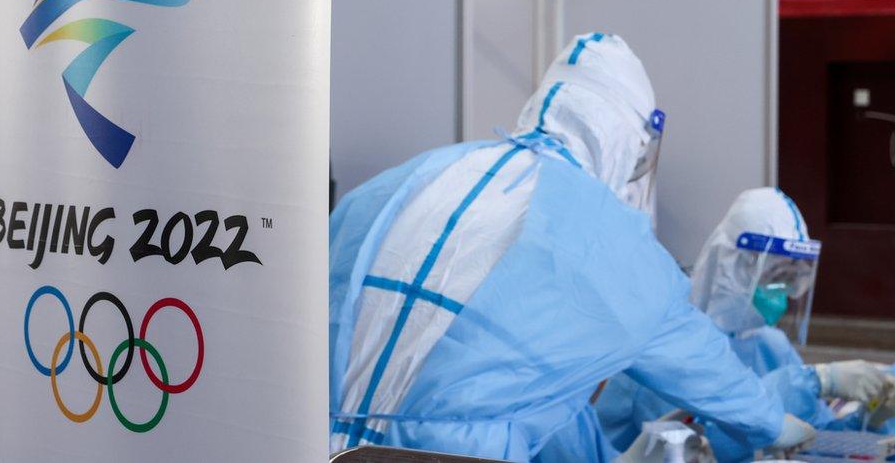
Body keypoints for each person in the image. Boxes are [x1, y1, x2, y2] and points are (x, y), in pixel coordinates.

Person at [329, 32, 814, 462]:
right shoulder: (613, 242)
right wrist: (771, 422)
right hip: (450, 456)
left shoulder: (403, 180)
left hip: (304, 438)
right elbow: (702, 367)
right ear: (629, 141)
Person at [595, 187, 895, 461]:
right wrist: (817, 381)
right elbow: (712, 441)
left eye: (790, 281)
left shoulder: (770, 344)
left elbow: (810, 437)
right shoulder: (668, 348)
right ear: (734, 267)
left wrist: (870, 421)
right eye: (775, 277)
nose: (783, 293)